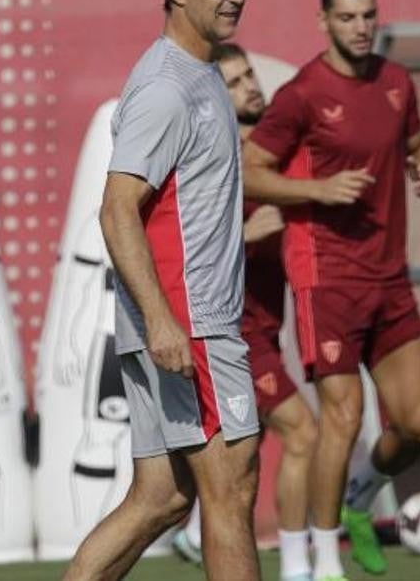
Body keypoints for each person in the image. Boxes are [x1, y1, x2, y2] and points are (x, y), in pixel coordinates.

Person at [62, 0, 272, 581]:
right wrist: (161, 319)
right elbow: (116, 208)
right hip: (188, 322)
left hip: (181, 320)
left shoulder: (199, 71)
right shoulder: (164, 87)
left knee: (162, 499)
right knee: (230, 489)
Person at [243, 0, 420, 580]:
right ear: (324, 21)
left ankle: (360, 493)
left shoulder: (396, 82)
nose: (360, 28)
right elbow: (250, 171)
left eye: (367, 16)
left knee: (419, 424)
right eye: (347, 17)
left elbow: (417, 146)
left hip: (390, 277)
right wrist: (318, 189)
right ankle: (325, 560)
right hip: (325, 275)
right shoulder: (302, 93)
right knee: (343, 416)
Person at [172, 43, 319, 581]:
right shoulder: (214, 162)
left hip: (265, 329)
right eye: (232, 83)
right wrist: (243, 233)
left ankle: (191, 530)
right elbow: (184, 248)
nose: (249, 88)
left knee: (239, 455)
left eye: (248, 77)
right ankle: (301, 566)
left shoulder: (271, 155)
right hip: (233, 335)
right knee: (302, 434)